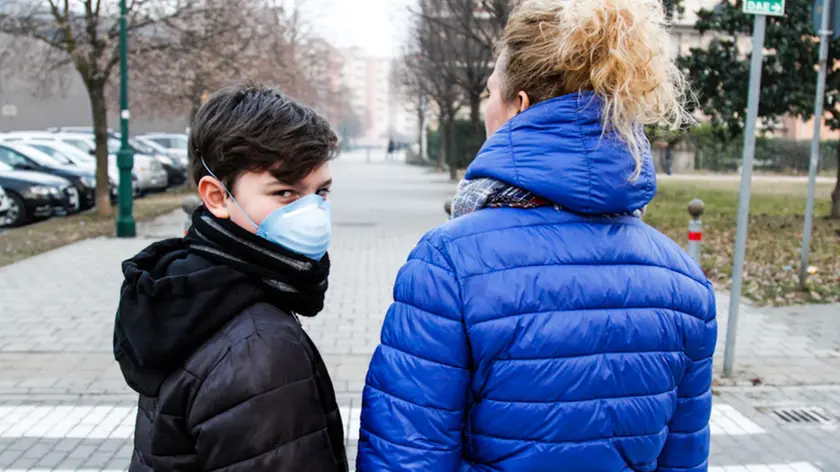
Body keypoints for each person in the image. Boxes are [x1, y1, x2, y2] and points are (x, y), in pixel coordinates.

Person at [357, 0, 716, 471]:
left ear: (518, 107)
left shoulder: (449, 263)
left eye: (490, 93)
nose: (486, 107)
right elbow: (683, 462)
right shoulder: (685, 282)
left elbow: (406, 456)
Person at [113, 84, 348, 472]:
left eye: (320, 192)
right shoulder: (259, 345)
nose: (313, 212)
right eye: (285, 192)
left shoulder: (189, 290)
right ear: (217, 196)